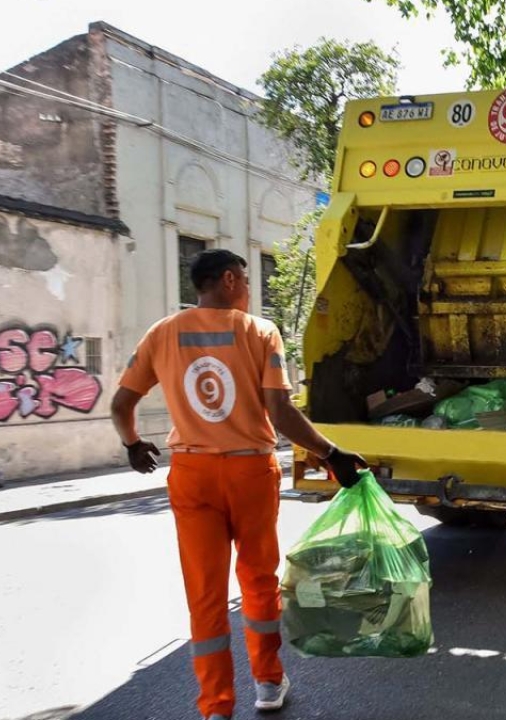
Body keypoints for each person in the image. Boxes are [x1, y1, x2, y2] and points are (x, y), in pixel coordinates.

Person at [110, 249, 367, 720]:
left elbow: (121, 403)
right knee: (257, 580)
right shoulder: (260, 332)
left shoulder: (162, 334)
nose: (249, 290)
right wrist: (331, 454)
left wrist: (132, 444)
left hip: (191, 474)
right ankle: (268, 682)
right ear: (229, 280)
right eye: (246, 281)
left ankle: (215, 707)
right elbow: (281, 412)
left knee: (205, 593)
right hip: (250, 472)